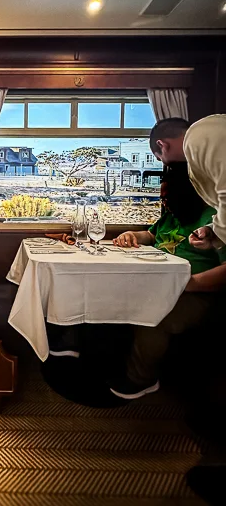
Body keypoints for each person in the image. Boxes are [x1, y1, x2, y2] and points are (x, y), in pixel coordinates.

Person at [109, 163, 226, 399]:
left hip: (196, 293)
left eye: (166, 196)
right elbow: (152, 235)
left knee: (154, 315)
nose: (163, 202)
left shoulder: (214, 221)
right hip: (161, 285)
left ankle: (140, 378)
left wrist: (187, 283)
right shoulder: (172, 216)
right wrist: (133, 235)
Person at [148, 115, 226, 250]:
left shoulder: (198, 137)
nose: (166, 164)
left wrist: (218, 234)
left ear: (162, 145)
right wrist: (213, 232)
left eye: (160, 158)